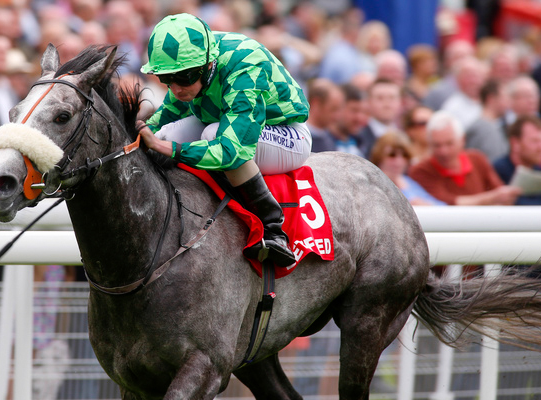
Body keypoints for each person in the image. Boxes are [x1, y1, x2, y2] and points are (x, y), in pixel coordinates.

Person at [138, 13, 312, 267]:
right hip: (223, 119)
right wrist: (143, 131)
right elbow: (164, 118)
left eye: (184, 78)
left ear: (208, 65)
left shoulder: (244, 65)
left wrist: (169, 149)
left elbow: (231, 151)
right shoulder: (192, 59)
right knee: (166, 134)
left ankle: (273, 228)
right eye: (165, 79)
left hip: (287, 133)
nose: (175, 88)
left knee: (210, 136)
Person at [408, 110, 521, 206]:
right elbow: (447, 204)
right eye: (437, 145)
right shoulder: (421, 171)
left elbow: (500, 194)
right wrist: (493, 198)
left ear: (462, 140)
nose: (443, 151)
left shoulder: (477, 159)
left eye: (449, 144)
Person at [493, 115, 541, 205]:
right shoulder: (498, 170)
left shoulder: (539, 170)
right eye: (534, 141)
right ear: (515, 143)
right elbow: (514, 204)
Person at [370, 132, 445, 206]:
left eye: (405, 155)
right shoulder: (370, 183)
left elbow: (440, 206)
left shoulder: (409, 182)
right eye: (392, 155)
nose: (399, 161)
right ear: (379, 156)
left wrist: (425, 204)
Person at [465, 79, 510, 162]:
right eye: (504, 97)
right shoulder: (483, 129)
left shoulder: (496, 126)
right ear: (491, 98)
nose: (508, 102)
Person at [357, 78, 402, 158]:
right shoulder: (359, 138)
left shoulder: (405, 137)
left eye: (392, 98)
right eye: (380, 98)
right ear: (368, 102)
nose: (387, 103)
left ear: (400, 102)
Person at [329, 82, 368, 157]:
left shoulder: (363, 144)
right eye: (354, 110)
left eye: (363, 111)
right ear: (337, 108)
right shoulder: (319, 144)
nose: (359, 118)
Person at [306, 78, 344, 152]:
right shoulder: (300, 139)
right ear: (315, 103)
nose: (337, 117)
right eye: (333, 109)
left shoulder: (329, 139)